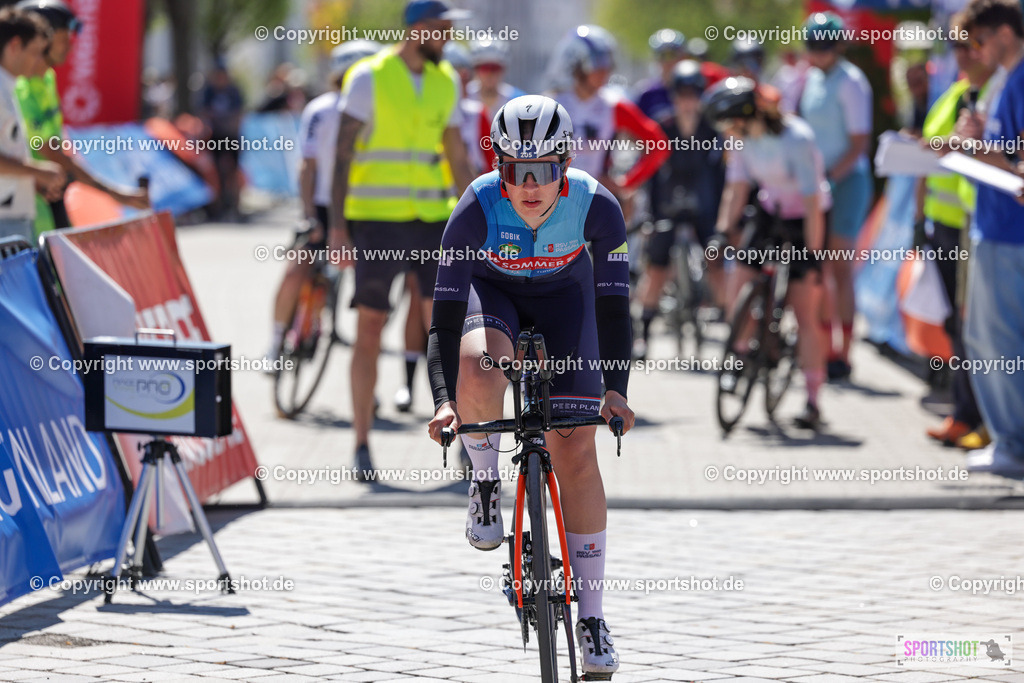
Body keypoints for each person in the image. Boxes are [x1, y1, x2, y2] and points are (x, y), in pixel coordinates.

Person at [426, 94, 635, 678]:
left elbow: (615, 309)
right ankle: (486, 479)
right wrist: (444, 403)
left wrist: (615, 390)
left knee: (575, 451)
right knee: (480, 366)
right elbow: (442, 322)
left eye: (543, 170)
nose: (529, 185)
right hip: (495, 301)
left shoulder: (598, 207)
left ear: (564, 166)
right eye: (515, 170)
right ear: (499, 167)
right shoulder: (475, 208)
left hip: (569, 305)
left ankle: (592, 618)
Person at [331, 0, 474, 478]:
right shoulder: (369, 77)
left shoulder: (446, 81)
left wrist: (483, 216)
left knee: (445, 328)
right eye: (441, 29)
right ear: (417, 30)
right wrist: (336, 226)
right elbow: (343, 151)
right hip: (376, 222)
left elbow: (455, 152)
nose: (448, 37)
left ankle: (459, 435)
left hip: (432, 221)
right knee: (370, 326)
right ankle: (361, 443)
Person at [706, 77, 830, 429]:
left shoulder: (797, 138)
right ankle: (743, 354)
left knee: (805, 311)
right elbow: (737, 188)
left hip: (804, 217)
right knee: (738, 288)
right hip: (769, 210)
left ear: (746, 115)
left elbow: (812, 201)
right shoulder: (743, 140)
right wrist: (720, 232)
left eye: (729, 123)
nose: (727, 131)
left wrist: (813, 254)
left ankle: (812, 399)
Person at [265, 41, 381, 368]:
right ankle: (275, 342)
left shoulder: (382, 110)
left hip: (365, 207)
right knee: (297, 268)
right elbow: (308, 166)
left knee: (373, 290)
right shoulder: (321, 109)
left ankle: (364, 365)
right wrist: (308, 215)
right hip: (323, 204)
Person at [950, 0, 1024, 478]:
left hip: (1009, 234)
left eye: (977, 41)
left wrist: (973, 148)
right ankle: (1009, 442)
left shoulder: (1019, 80)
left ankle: (1013, 447)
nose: (973, 52)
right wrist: (975, 139)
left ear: (1000, 34)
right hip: (993, 227)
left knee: (999, 342)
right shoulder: (1002, 83)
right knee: (985, 339)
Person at [917, 28, 992, 447]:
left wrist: (938, 144)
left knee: (972, 327)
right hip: (944, 223)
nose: (960, 55)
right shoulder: (956, 93)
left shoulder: (989, 94)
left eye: (969, 46)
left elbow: (956, 147)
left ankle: (977, 419)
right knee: (957, 325)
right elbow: (934, 147)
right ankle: (967, 414)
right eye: (956, 47)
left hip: (971, 223)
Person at [14, 0, 146, 235]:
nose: (71, 47)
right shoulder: (20, 86)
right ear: (42, 38)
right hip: (23, 203)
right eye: (65, 39)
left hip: (48, 196)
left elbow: (57, 146)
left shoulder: (47, 78)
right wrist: (115, 193)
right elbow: (48, 150)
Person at [634, 60, 726, 359]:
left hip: (704, 204)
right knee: (657, 269)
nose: (688, 101)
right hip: (667, 204)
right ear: (673, 95)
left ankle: (730, 329)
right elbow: (648, 170)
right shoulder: (662, 126)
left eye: (694, 94)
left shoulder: (712, 127)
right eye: (682, 94)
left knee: (715, 260)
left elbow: (722, 170)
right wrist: (648, 213)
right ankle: (643, 335)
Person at [799, 12, 873, 382]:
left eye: (825, 47)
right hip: (817, 182)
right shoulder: (811, 79)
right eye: (814, 46)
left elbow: (859, 143)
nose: (819, 54)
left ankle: (845, 351)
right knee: (818, 269)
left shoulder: (852, 82)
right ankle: (825, 345)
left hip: (846, 182)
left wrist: (830, 177)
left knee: (840, 267)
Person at [546, 24, 670, 206]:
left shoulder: (613, 106)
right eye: (597, 62)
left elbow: (659, 145)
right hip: (551, 202)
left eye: (607, 62)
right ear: (576, 64)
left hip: (593, 203)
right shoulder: (549, 105)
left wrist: (625, 184)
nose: (605, 70)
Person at [0, 6, 62, 241]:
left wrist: (31, 180)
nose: (39, 61)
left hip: (12, 217)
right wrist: (35, 170)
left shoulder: (9, 86)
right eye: (36, 52)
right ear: (15, 46)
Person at [199, 60, 245, 221]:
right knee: (216, 171)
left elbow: (239, 113)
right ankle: (218, 206)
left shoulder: (233, 92)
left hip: (231, 136)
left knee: (234, 170)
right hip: (215, 136)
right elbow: (204, 112)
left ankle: (236, 206)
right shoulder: (209, 92)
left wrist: (231, 126)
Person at [635, 28, 688, 126]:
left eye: (673, 55)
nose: (668, 61)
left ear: (683, 57)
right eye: (662, 56)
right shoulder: (647, 94)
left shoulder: (694, 89)